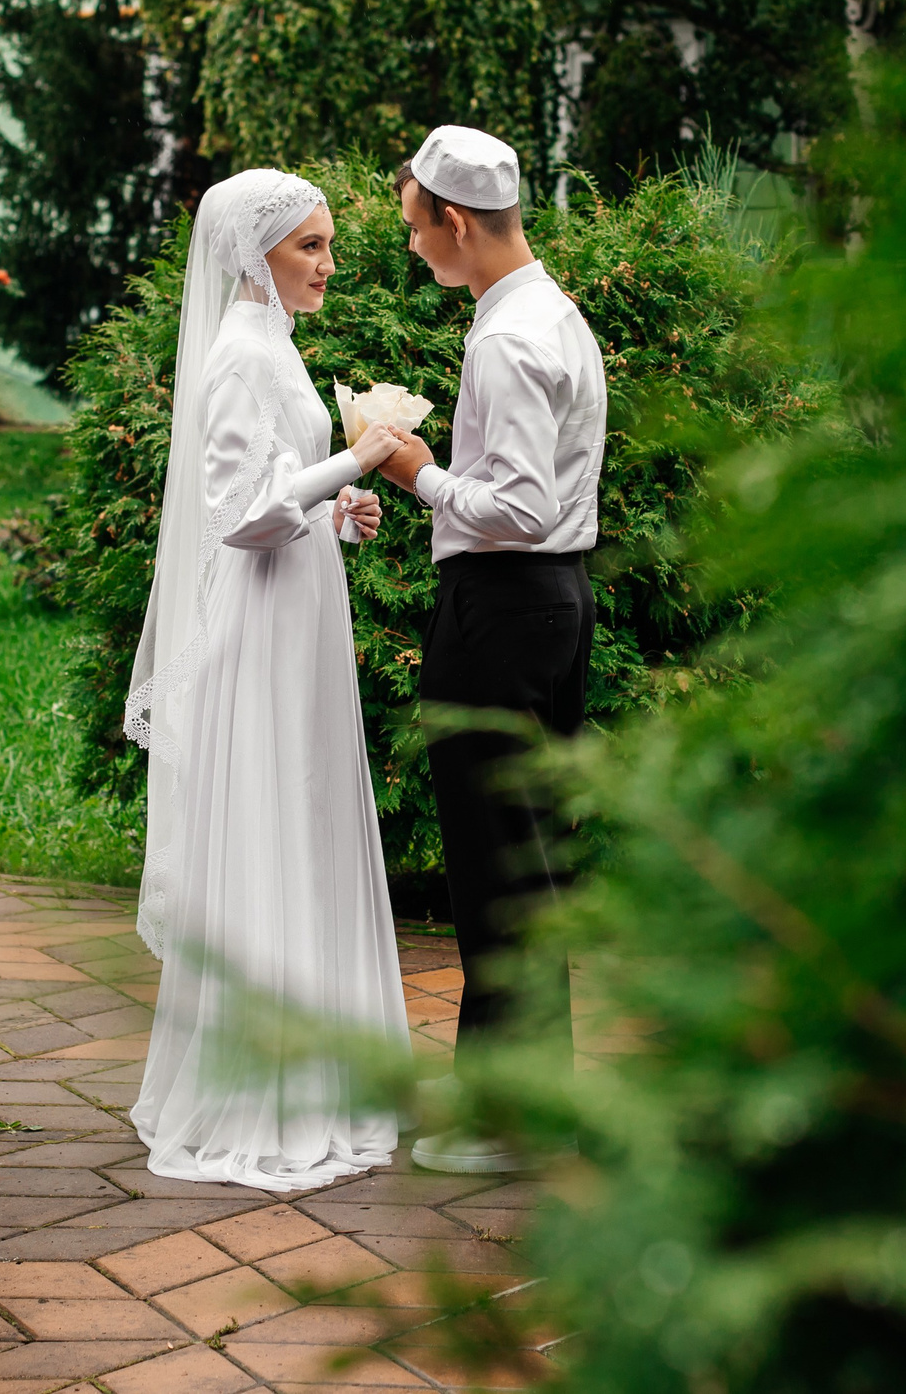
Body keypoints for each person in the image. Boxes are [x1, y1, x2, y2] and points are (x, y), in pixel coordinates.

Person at [124, 169, 414, 1192]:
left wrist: (343, 512)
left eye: (328, 245)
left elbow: (280, 505)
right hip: (264, 623)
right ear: (255, 254)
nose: (328, 264)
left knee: (308, 818)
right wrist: (355, 463)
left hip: (299, 605)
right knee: (274, 822)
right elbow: (237, 513)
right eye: (310, 247)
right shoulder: (241, 358)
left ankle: (312, 1070)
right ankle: (262, 1092)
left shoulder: (274, 350)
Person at [376, 126, 607, 1175]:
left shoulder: (506, 339)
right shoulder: (553, 311)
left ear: (455, 222)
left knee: (496, 869)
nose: (416, 251)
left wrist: (415, 471)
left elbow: (520, 504)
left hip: (505, 609)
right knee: (529, 861)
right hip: (551, 606)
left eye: (417, 232)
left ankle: (508, 1125)